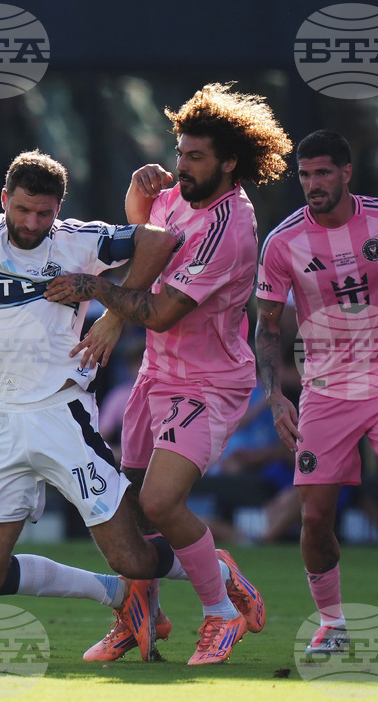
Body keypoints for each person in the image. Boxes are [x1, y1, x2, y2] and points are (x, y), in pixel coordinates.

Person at [0, 32, 264, 665]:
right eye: (25, 211)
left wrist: (115, 315)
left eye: (45, 213)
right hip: (2, 420)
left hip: (63, 413)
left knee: (135, 552)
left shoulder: (78, 241)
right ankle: (114, 598)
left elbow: (155, 239)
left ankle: (212, 573)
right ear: (5, 201)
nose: (34, 224)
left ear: (57, 209)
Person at [45, 82, 292, 664]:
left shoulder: (230, 228)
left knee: (159, 502)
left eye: (195, 157)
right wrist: (138, 200)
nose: (181, 166)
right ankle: (140, 617)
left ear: (230, 162)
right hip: (158, 374)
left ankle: (221, 611)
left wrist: (95, 290)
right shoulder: (182, 195)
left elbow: (159, 311)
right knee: (126, 508)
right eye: (179, 152)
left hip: (209, 384)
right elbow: (152, 248)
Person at [253, 130, 378, 655]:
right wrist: (276, 395)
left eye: (323, 173)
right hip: (324, 393)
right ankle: (333, 622)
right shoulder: (283, 243)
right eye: (304, 175)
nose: (312, 184)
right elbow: (267, 325)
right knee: (316, 518)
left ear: (347, 173)